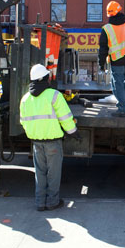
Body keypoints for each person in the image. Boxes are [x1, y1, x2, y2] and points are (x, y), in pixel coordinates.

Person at [20, 64, 77, 211]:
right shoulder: (54, 95)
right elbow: (65, 117)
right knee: (53, 173)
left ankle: (40, 202)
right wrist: (73, 132)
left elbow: (23, 122)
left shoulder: (25, 99)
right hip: (53, 142)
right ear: (45, 78)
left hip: (36, 142)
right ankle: (52, 202)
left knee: (40, 173)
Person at [98, 1, 125, 117]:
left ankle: (123, 109)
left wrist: (101, 64)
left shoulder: (107, 28)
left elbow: (103, 49)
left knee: (118, 85)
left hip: (117, 61)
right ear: (120, 10)